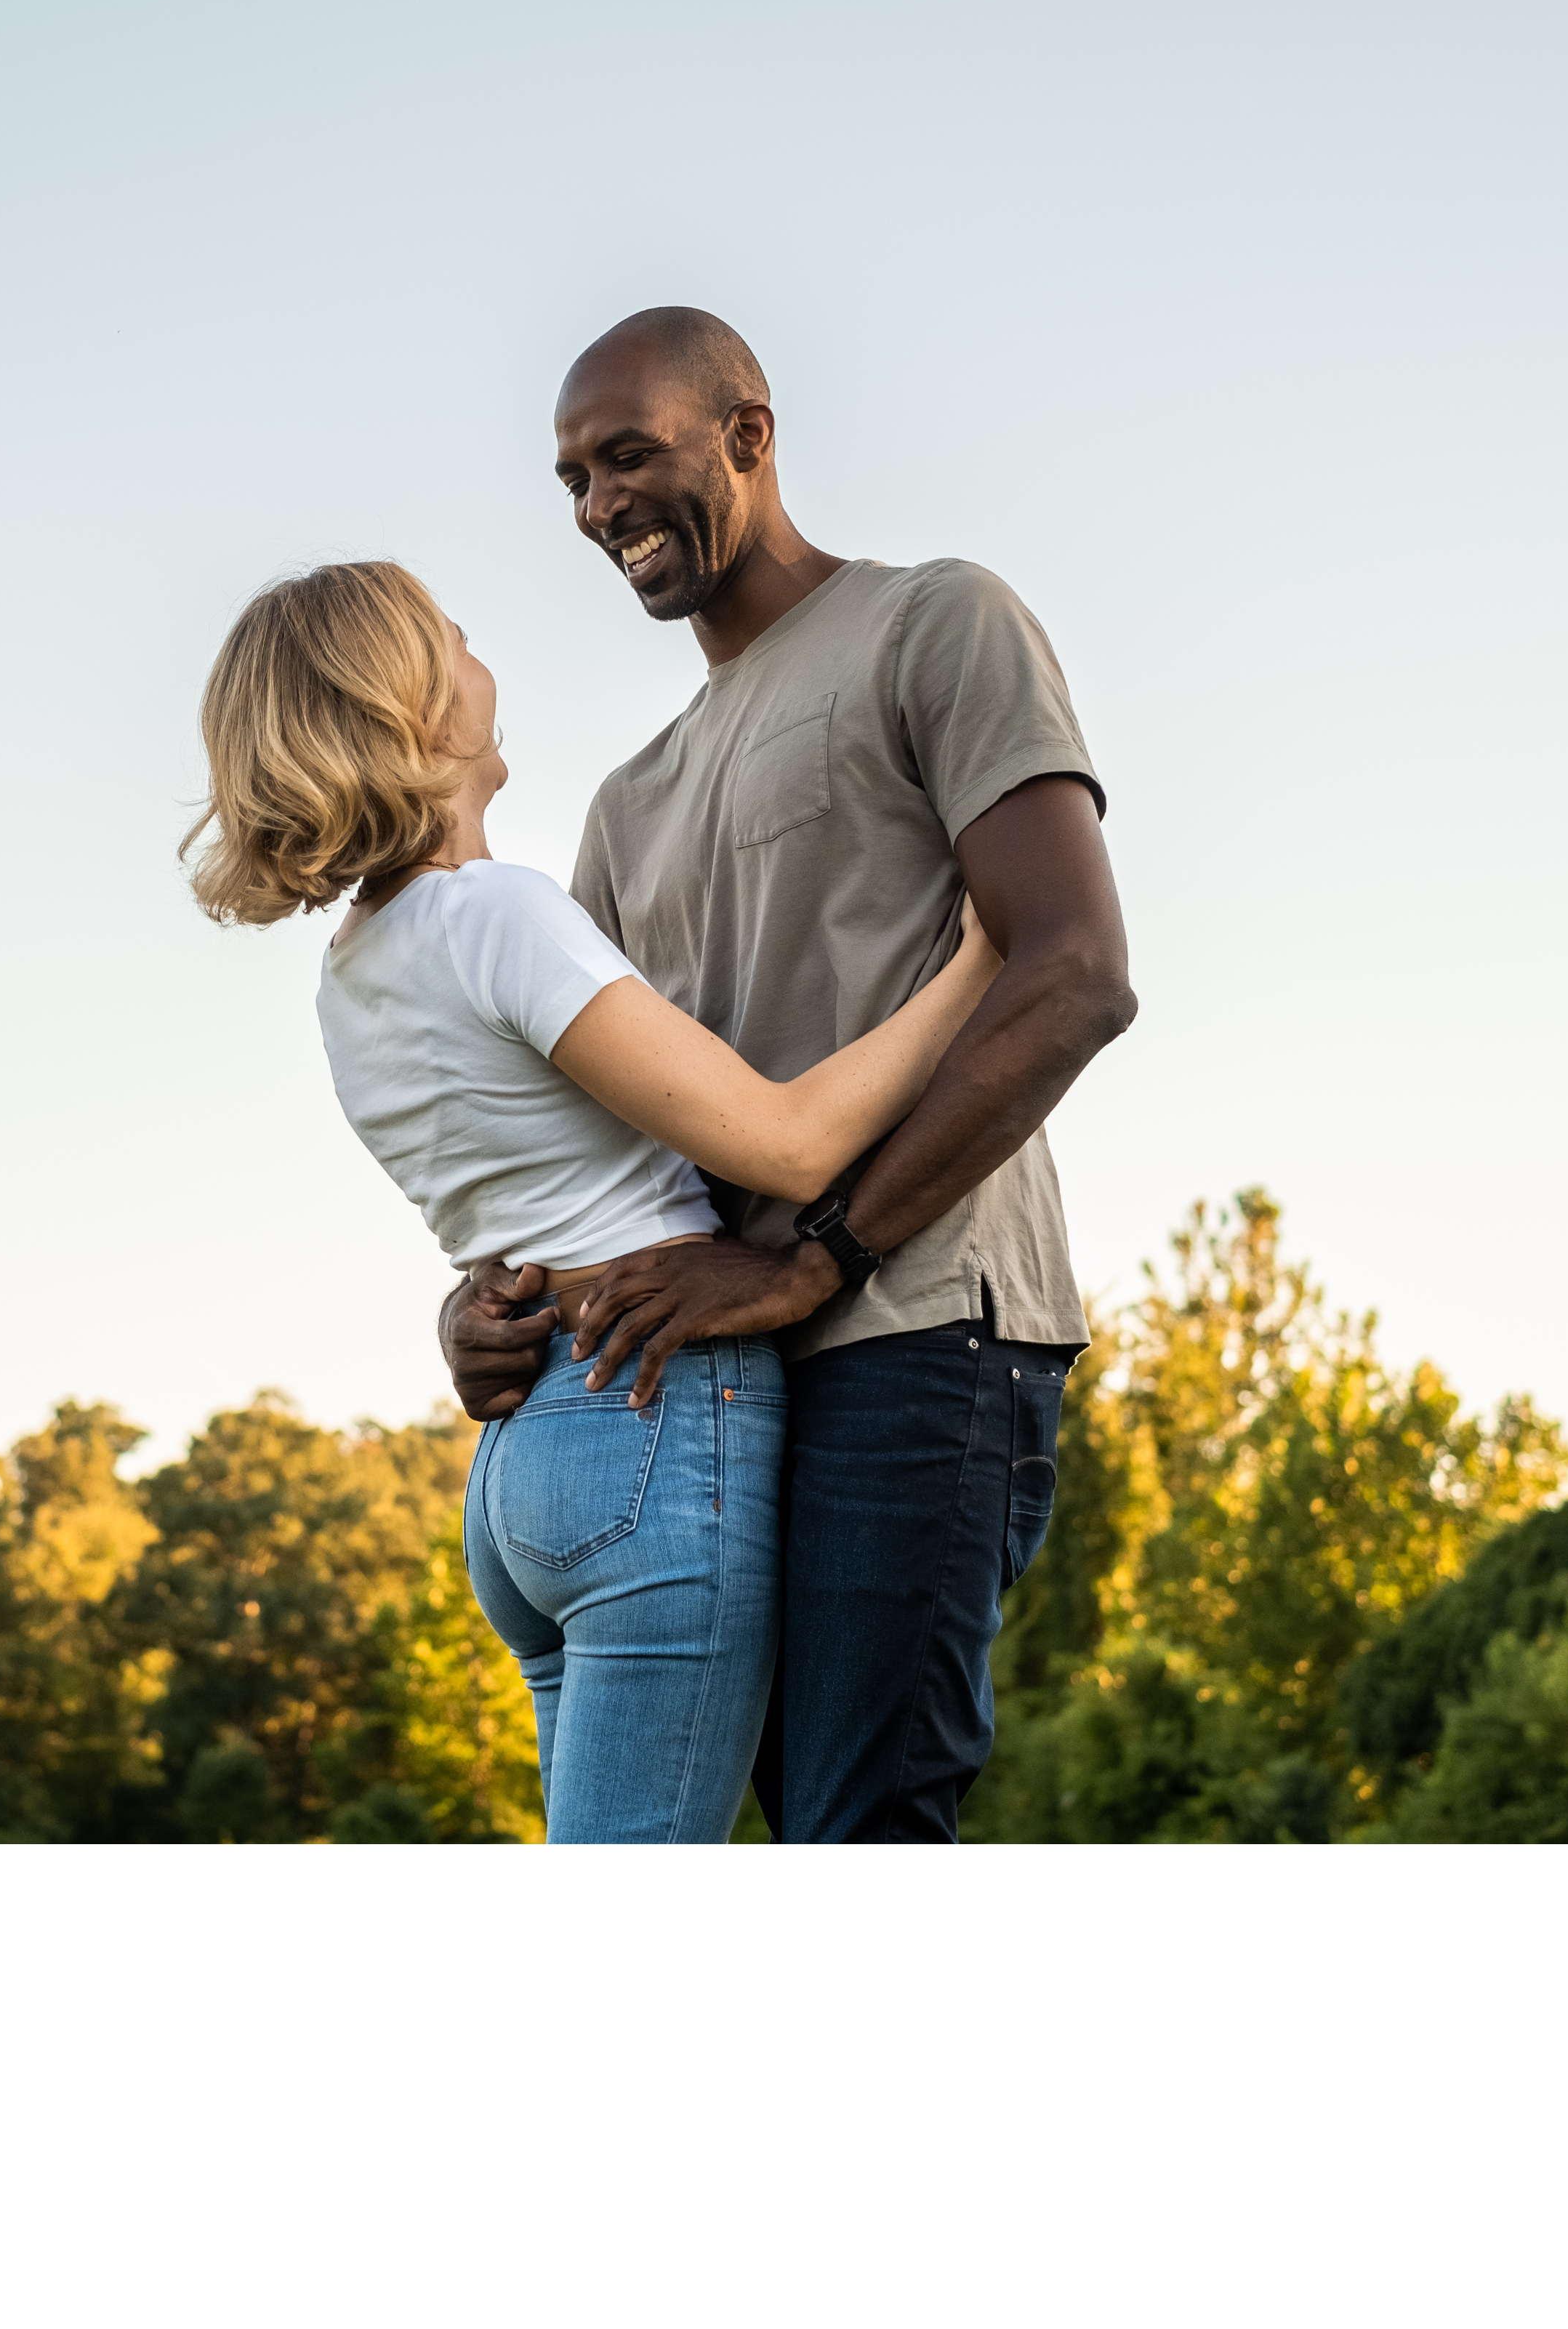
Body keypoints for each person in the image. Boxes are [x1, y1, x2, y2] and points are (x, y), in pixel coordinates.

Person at [442, 306, 1137, 1843]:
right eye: (572, 478)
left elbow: (1074, 970)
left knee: (857, 1824)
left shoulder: (935, 623)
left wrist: (812, 1260)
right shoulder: (627, 806)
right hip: (715, 1382)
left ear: (747, 435)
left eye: (629, 455)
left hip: (917, 1330)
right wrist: (490, 1306)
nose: (598, 504)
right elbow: (590, 1136)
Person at [184, 558, 1002, 1842]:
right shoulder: (498, 915)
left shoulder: (351, 975)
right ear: (411, 704)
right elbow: (790, 1146)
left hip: (530, 1461)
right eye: (454, 635)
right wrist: (978, 966)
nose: (479, 653)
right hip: (650, 1426)